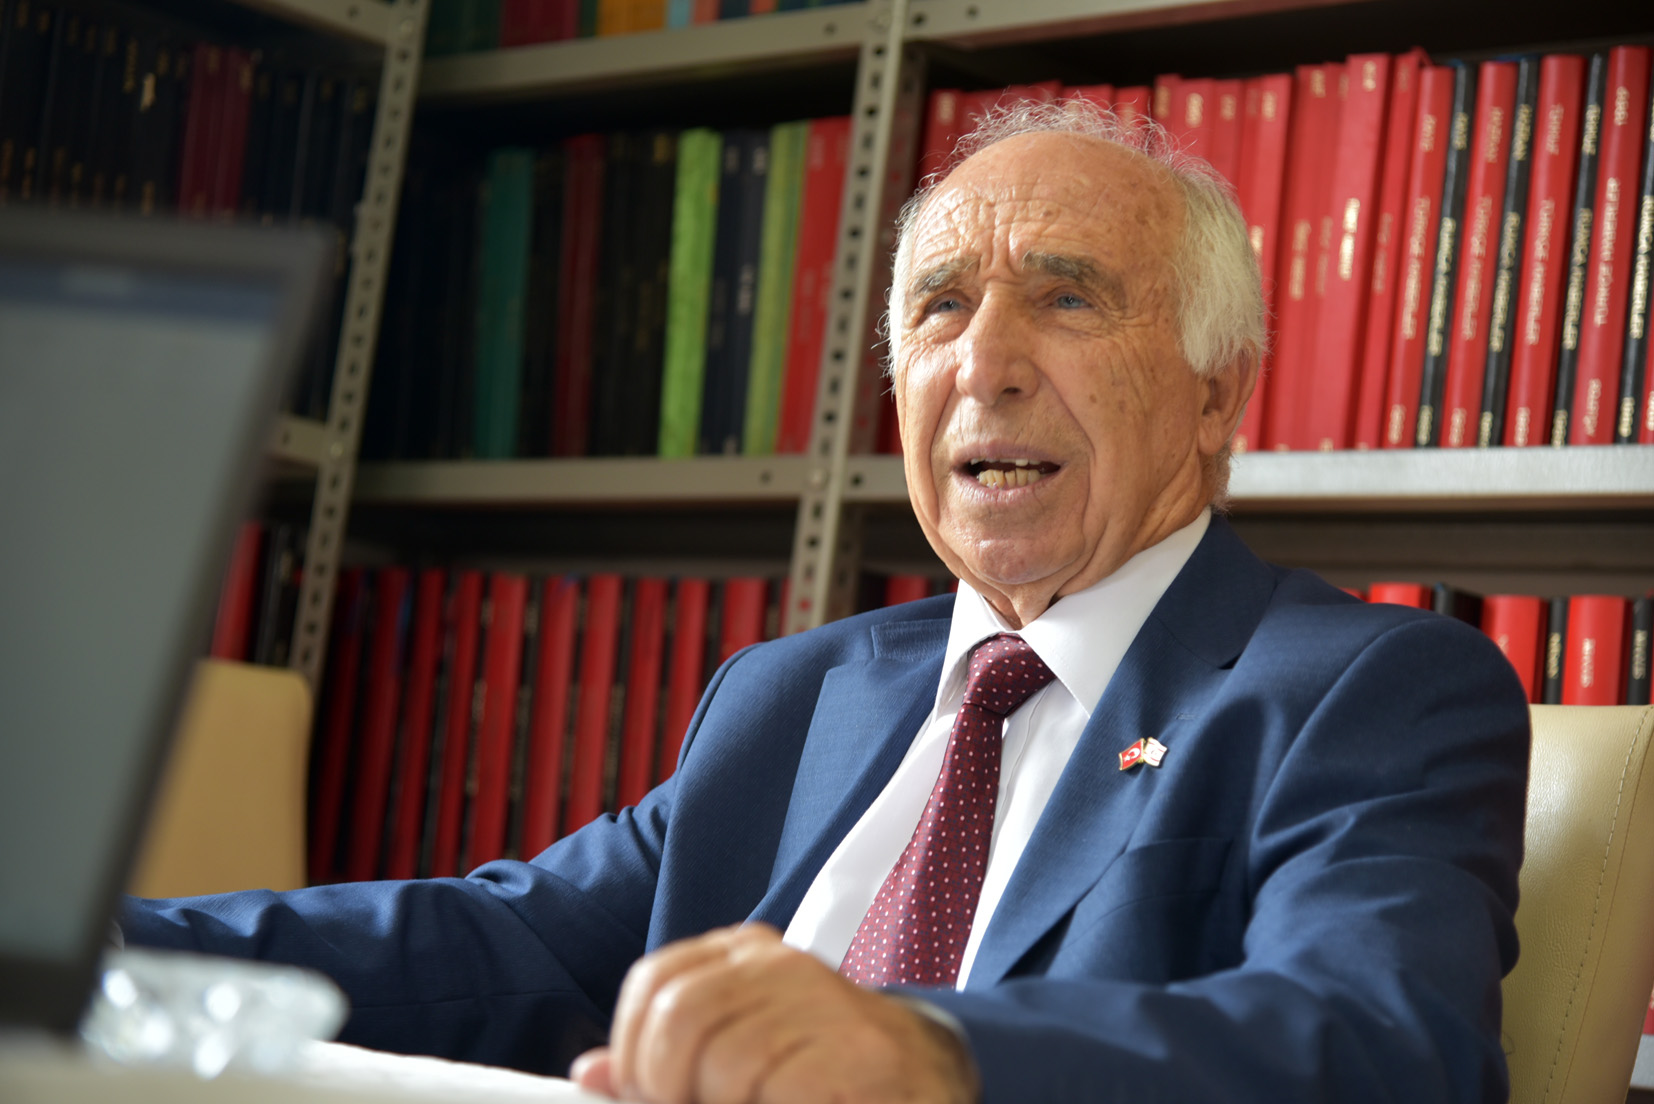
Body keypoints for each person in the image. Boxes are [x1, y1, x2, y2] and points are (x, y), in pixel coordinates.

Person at [121, 103, 1530, 1104]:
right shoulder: (797, 693)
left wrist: (931, 1054)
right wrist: (94, 952)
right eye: (939, 308)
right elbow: (508, 945)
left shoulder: (1369, 689)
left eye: (1066, 300)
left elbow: (1381, 1041)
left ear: (1217, 392)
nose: (983, 363)